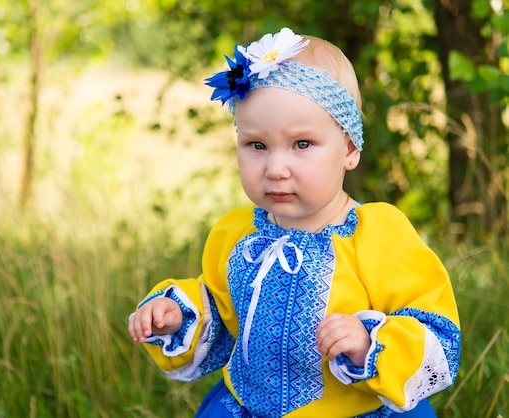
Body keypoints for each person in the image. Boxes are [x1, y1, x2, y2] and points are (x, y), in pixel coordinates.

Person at [128, 27, 461, 417]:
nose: (276, 168)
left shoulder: (376, 233)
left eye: (302, 144)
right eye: (257, 145)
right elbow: (223, 315)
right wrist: (177, 317)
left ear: (349, 148)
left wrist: (367, 342)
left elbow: (436, 328)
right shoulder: (237, 234)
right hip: (246, 405)